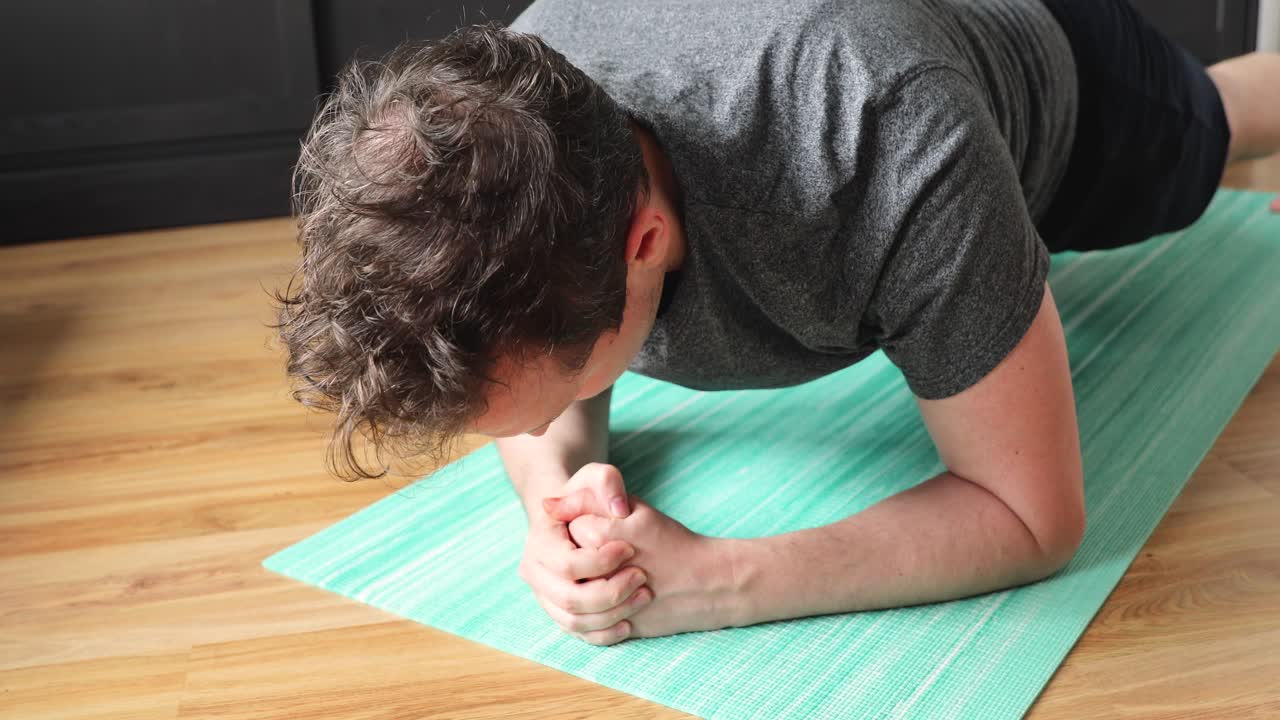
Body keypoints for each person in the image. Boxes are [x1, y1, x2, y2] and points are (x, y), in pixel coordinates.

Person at [275, 0, 1280, 646]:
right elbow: (540, 419)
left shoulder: (884, 140)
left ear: (644, 243)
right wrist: (557, 493)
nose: (540, 428)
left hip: (1034, 59)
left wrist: (715, 581)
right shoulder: (517, 108)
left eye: (559, 399)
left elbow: (1031, 517)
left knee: (1211, 126)